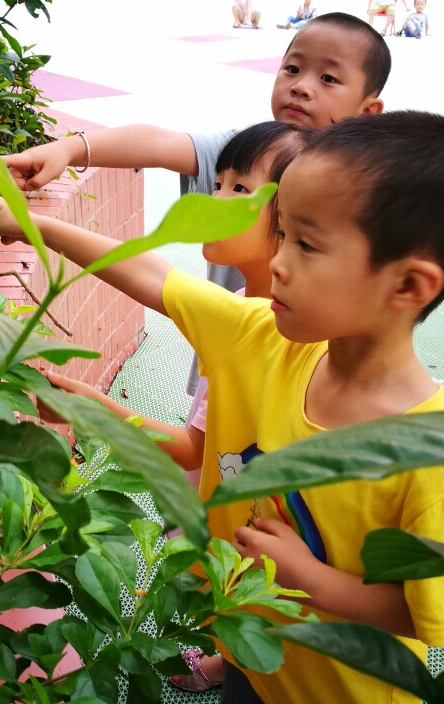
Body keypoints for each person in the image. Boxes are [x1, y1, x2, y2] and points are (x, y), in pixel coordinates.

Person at [0, 109, 444, 704]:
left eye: (306, 244)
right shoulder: (260, 333)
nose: (278, 262)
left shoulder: (441, 459)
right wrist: (31, 226)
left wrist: (311, 579)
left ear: (408, 285)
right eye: (283, 234)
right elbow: (152, 275)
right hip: (248, 645)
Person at [30, 122, 304, 695]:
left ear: (296, 223)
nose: (214, 199)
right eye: (218, 183)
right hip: (237, 503)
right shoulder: (238, 304)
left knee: (258, 629)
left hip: (258, 531)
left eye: (239, 190)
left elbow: (190, 449)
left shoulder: (246, 326)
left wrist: (92, 408)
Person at [0, 12, 390, 398]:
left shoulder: (362, 201)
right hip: (225, 353)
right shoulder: (246, 155)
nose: (301, 86)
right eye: (291, 68)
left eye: (328, 78)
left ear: (368, 110)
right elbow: (160, 143)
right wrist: (69, 149)